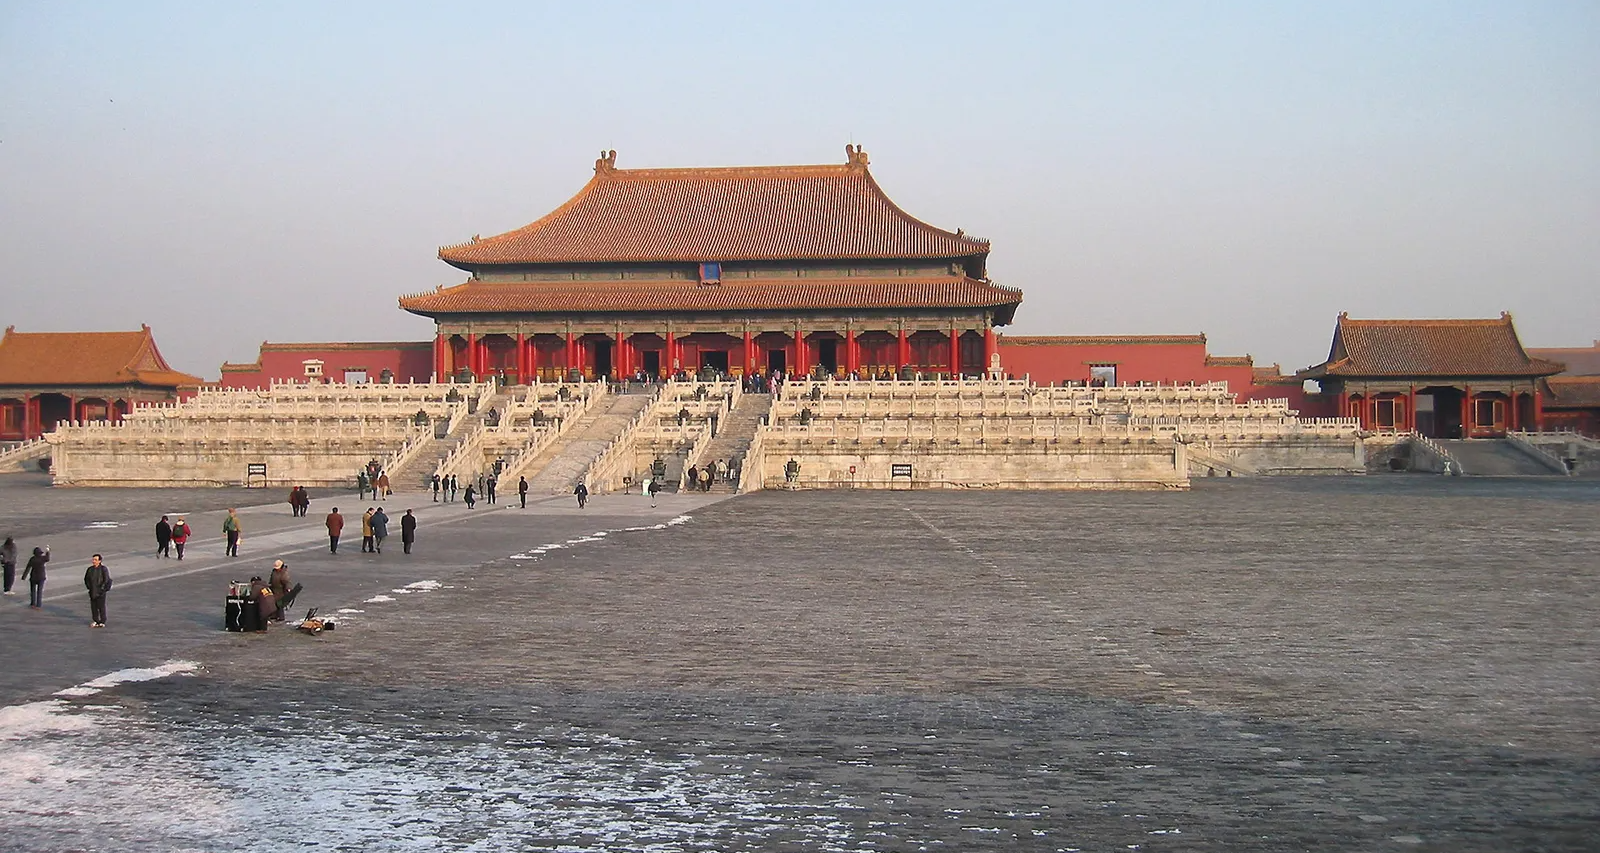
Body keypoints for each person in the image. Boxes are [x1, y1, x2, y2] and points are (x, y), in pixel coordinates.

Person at [84, 554, 112, 628]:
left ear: (100, 561)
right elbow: (86, 579)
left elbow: (106, 579)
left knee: (101, 606)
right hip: (92, 590)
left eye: (96, 560)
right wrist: (89, 587)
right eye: (93, 559)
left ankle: (102, 621)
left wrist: (102, 589)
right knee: (93, 607)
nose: (94, 561)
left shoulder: (103, 569)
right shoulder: (90, 569)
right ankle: (95, 620)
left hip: (101, 591)